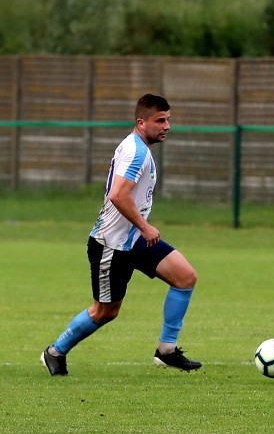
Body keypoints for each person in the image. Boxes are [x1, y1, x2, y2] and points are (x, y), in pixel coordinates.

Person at [40, 94, 202, 376]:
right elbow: (117, 195)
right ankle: (55, 351)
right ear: (141, 122)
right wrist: (145, 226)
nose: (167, 126)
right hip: (111, 245)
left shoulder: (138, 147)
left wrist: (140, 230)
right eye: (160, 120)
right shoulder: (137, 152)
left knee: (185, 277)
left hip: (134, 240)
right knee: (105, 312)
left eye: (168, 120)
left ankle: (167, 350)